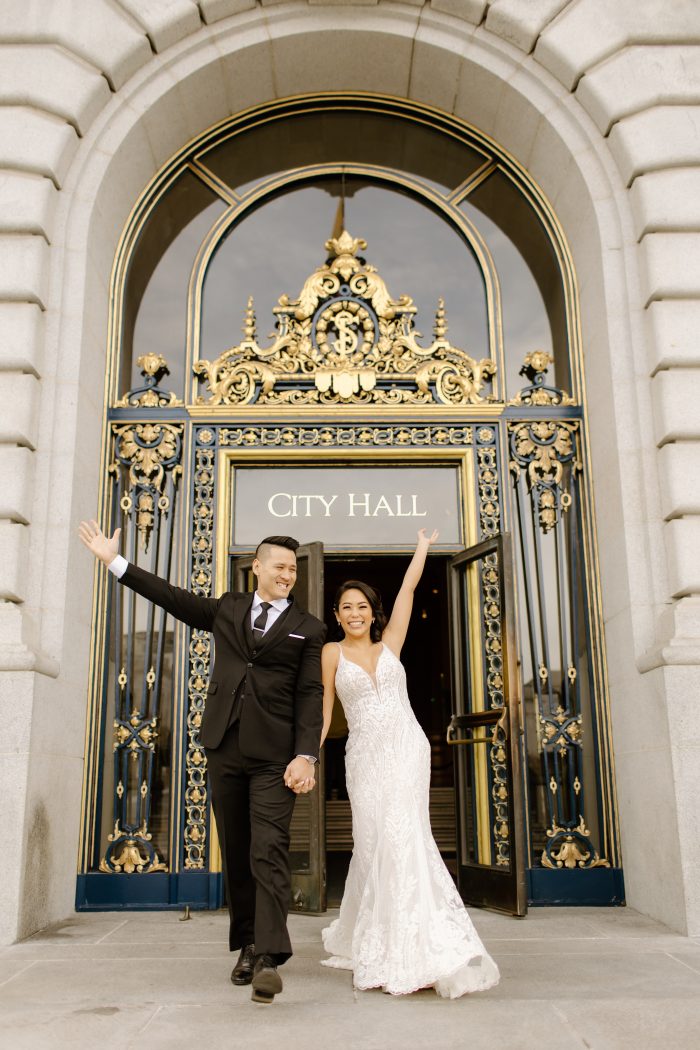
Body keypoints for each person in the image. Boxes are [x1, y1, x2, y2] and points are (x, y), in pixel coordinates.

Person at [78, 522, 326, 1005]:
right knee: (237, 851)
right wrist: (115, 562)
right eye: (279, 566)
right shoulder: (229, 608)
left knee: (269, 849)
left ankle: (271, 958)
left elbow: (310, 694)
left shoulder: (308, 627)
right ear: (257, 567)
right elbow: (173, 598)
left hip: (276, 757)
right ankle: (249, 944)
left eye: (293, 569)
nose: (287, 575)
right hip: (224, 747)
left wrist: (305, 754)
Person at [319, 528, 500, 997]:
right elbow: (322, 714)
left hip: (408, 751)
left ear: (371, 613)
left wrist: (423, 546)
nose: (355, 614)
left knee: (406, 839)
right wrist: (306, 757)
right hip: (364, 758)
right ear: (336, 615)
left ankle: (419, 949)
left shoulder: (391, 644)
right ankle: (371, 935)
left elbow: (407, 589)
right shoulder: (331, 654)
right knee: (373, 841)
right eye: (347, 607)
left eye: (362, 606)